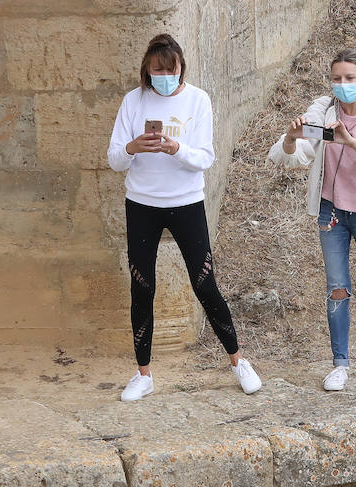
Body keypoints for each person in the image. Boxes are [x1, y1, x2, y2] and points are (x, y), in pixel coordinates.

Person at [106, 33, 262, 402]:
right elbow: (114, 159)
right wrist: (132, 147)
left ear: (180, 69)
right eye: (157, 70)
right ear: (147, 69)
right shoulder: (133, 101)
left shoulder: (198, 100)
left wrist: (175, 148)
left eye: (170, 70)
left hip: (186, 203)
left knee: (204, 283)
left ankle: (238, 361)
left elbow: (205, 158)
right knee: (142, 286)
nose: (164, 76)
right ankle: (143, 373)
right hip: (141, 204)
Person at [268, 49, 356, 394]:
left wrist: (350, 141)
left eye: (350, 78)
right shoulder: (323, 109)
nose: (343, 85)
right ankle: (340, 364)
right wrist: (290, 137)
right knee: (337, 290)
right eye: (337, 78)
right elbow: (291, 158)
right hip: (332, 213)